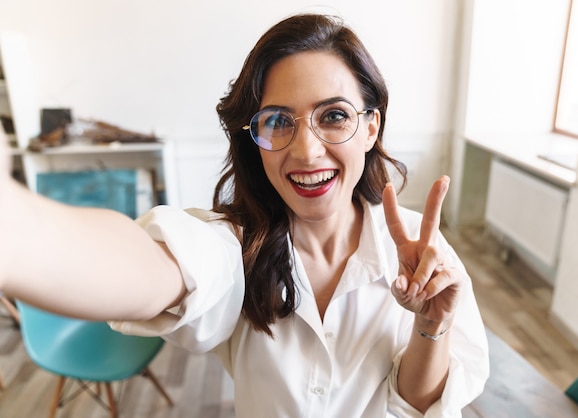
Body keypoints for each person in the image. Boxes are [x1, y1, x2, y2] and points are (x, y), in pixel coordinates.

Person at [0, 13, 489, 418]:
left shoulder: (422, 257)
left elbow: (415, 406)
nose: (306, 149)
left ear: (370, 126)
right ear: (254, 141)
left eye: (334, 115)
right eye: (278, 121)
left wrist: (432, 323)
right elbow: (147, 268)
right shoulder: (237, 247)